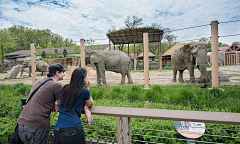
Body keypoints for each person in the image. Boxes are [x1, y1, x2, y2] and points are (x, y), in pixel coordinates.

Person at [18, 63, 67, 144]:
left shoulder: (40, 81)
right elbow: (62, 104)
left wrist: (53, 103)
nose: (64, 74)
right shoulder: (56, 85)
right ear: (57, 73)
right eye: (63, 72)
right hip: (37, 125)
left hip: (22, 124)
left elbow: (42, 97)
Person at [53, 67, 94, 144]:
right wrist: (87, 87)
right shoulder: (84, 91)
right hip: (73, 129)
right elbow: (90, 103)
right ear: (84, 79)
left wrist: (85, 109)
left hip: (58, 130)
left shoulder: (65, 88)